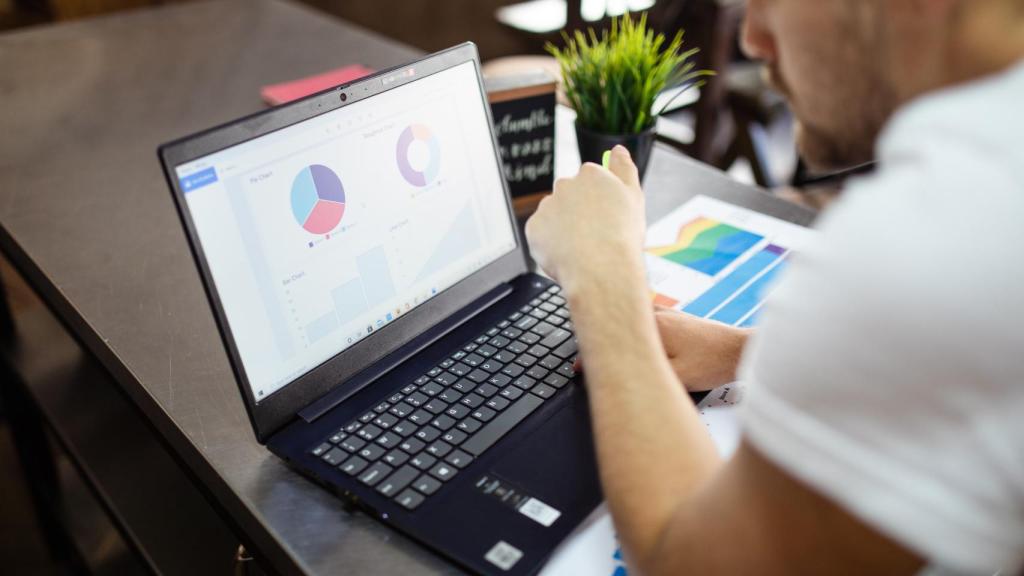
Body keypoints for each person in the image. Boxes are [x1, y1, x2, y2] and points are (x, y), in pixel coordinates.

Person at [525, 0, 1024, 573]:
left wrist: (604, 275)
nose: (753, 39)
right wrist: (742, 352)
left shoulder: (932, 239)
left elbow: (694, 562)